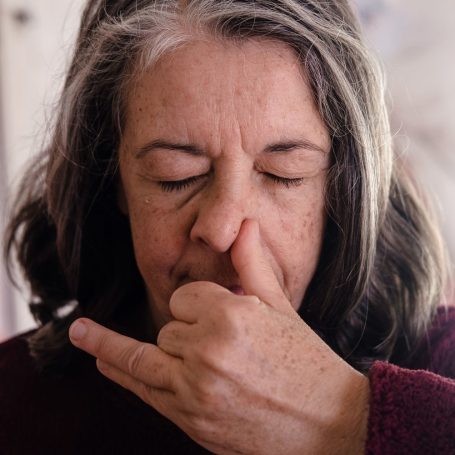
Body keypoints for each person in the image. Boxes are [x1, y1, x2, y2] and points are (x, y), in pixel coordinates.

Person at [1, 0, 454, 453]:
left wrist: (344, 417)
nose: (224, 231)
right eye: (175, 176)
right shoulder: (15, 404)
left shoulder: (439, 360)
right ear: (110, 177)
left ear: (344, 188)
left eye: (285, 173)